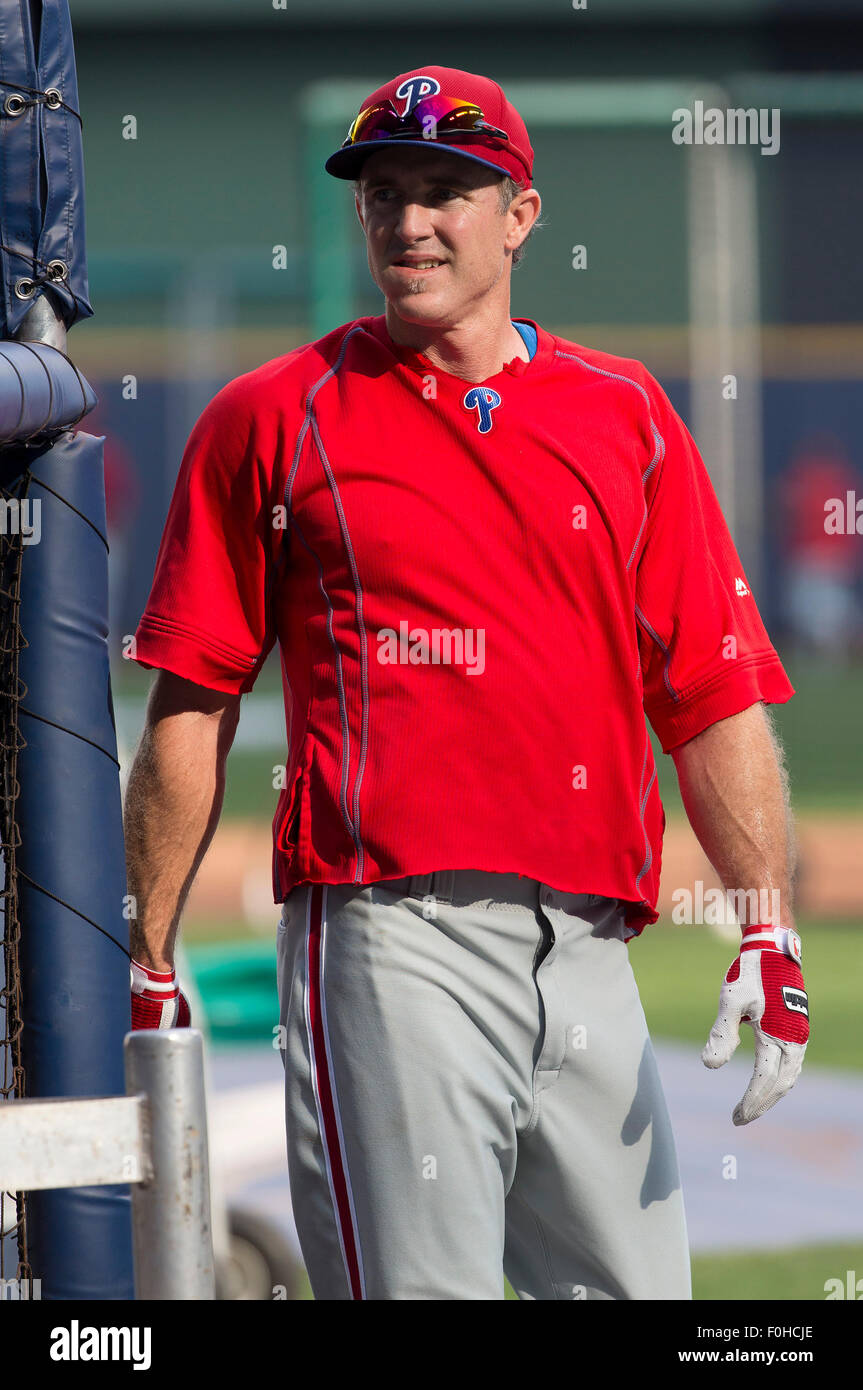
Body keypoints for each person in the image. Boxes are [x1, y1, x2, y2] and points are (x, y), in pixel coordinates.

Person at [123, 66, 809, 1301]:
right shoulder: (272, 417)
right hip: (391, 937)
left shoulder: (628, 414)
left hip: (593, 942)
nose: (408, 222)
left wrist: (765, 920)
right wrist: (152, 954)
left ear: (521, 215)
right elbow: (194, 697)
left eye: (444, 190)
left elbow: (708, 692)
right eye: (384, 193)